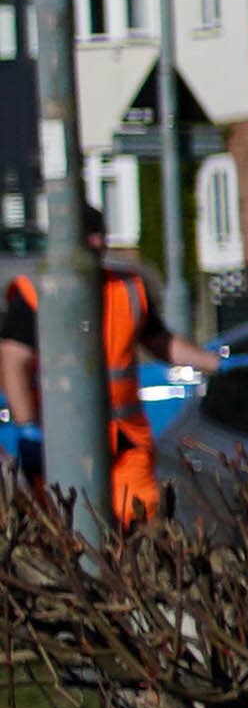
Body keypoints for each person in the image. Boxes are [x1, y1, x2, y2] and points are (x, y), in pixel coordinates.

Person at [1, 210, 181, 527]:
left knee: (142, 519)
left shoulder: (127, 289)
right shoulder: (37, 292)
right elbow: (14, 362)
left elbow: (162, 342)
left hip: (124, 440)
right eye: (89, 233)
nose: (97, 242)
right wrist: (27, 426)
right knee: (71, 526)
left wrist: (218, 364)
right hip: (59, 441)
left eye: (100, 233)